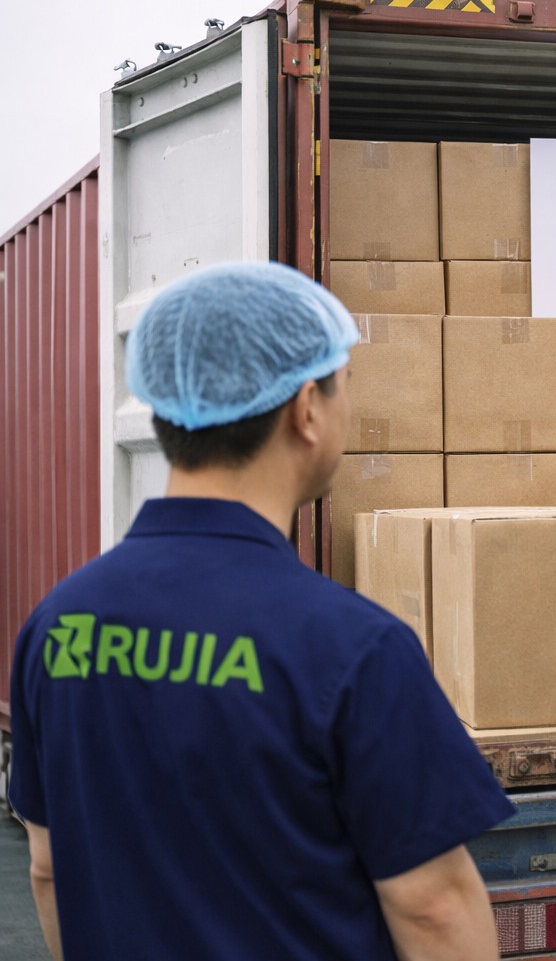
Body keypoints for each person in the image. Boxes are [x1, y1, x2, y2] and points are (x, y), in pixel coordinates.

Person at [9, 261, 513, 959]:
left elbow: (48, 866)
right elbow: (431, 906)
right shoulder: (353, 647)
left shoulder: (57, 623)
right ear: (306, 409)